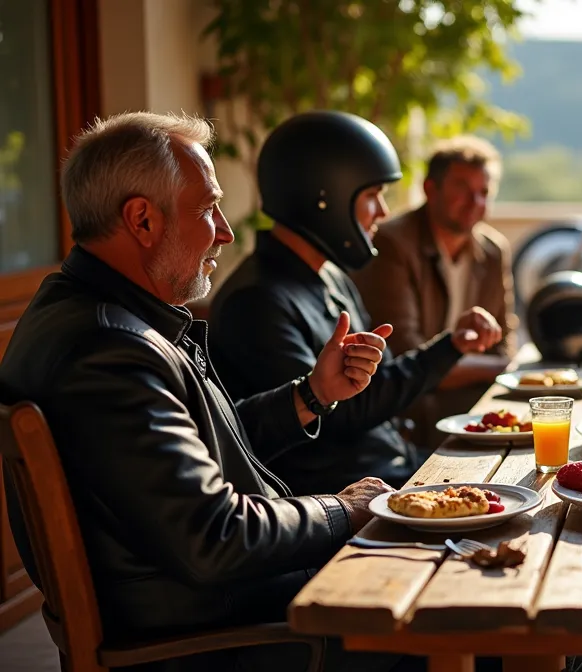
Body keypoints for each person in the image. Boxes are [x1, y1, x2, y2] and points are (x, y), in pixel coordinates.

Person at [0, 111, 415, 671]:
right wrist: (342, 509)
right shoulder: (109, 352)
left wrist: (312, 393)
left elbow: (199, 455)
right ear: (142, 220)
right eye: (207, 209)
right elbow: (215, 536)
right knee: (485, 625)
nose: (225, 229)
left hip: (226, 610)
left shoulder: (87, 314)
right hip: (230, 640)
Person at [208, 111, 503, 496]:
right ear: (324, 199)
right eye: (371, 196)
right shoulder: (257, 301)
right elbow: (342, 414)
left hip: (391, 466)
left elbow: (377, 383)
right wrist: (449, 348)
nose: (382, 211)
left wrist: (454, 345)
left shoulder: (328, 275)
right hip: (346, 496)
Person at [353, 136, 517, 447]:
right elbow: (406, 356)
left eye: (483, 193)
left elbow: (503, 337)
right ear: (430, 189)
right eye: (462, 189)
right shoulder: (391, 244)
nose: (475, 202)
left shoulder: (493, 250)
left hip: (474, 401)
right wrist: (505, 369)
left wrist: (501, 365)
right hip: (412, 411)